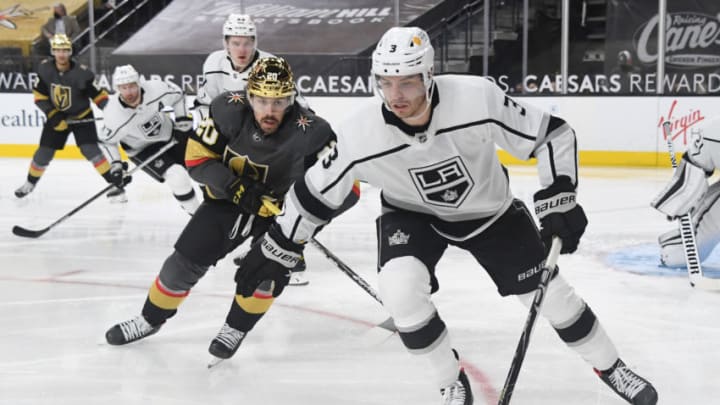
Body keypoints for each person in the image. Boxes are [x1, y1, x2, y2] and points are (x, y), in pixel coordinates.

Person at [232, 27, 659, 405]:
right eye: (386, 83)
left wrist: (560, 196)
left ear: (429, 76)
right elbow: (313, 195)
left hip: (489, 212)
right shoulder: (360, 134)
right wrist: (280, 245)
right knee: (400, 293)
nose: (396, 95)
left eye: (407, 83)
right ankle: (448, 381)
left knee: (551, 296)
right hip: (410, 214)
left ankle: (610, 366)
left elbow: (551, 135)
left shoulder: (477, 97)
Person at [104, 58, 359, 362]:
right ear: (249, 95)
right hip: (228, 202)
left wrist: (299, 212)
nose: (269, 110)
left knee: (265, 277)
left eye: (278, 102)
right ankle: (149, 319)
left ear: (290, 99)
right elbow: (196, 160)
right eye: (262, 100)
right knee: (180, 264)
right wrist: (235, 187)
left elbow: (349, 190)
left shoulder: (314, 132)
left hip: (283, 217)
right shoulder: (227, 109)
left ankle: (235, 327)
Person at [195, 12, 309, 285]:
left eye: (247, 42)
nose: (242, 49)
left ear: (255, 41)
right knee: (233, 193)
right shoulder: (213, 63)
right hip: (234, 144)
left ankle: (291, 257)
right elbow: (205, 106)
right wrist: (208, 141)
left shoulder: (271, 65)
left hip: (270, 141)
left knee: (272, 197)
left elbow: (298, 107)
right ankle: (258, 246)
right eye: (236, 43)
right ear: (226, 43)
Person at [15, 34, 126, 199]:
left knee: (91, 150)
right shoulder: (45, 69)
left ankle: (116, 186)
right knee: (43, 153)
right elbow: (39, 96)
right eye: (58, 50)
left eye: (65, 50)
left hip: (81, 116)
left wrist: (111, 113)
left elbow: (99, 97)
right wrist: (52, 115)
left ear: (70, 52)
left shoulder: (83, 74)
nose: (61, 54)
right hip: (57, 117)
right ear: (53, 52)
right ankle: (29, 184)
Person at [97, 64, 200, 213]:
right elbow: (107, 141)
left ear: (139, 83)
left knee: (204, 166)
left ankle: (220, 205)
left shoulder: (156, 89)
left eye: (132, 86)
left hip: (172, 134)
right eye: (123, 88)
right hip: (143, 150)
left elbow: (178, 94)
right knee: (178, 176)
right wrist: (116, 166)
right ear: (117, 89)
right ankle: (197, 216)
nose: (129, 92)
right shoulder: (113, 115)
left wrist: (182, 119)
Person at [652, 116, 720, 267]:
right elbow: (694, 166)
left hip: (706, 147)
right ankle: (675, 250)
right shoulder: (712, 138)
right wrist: (681, 200)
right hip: (707, 148)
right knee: (683, 255)